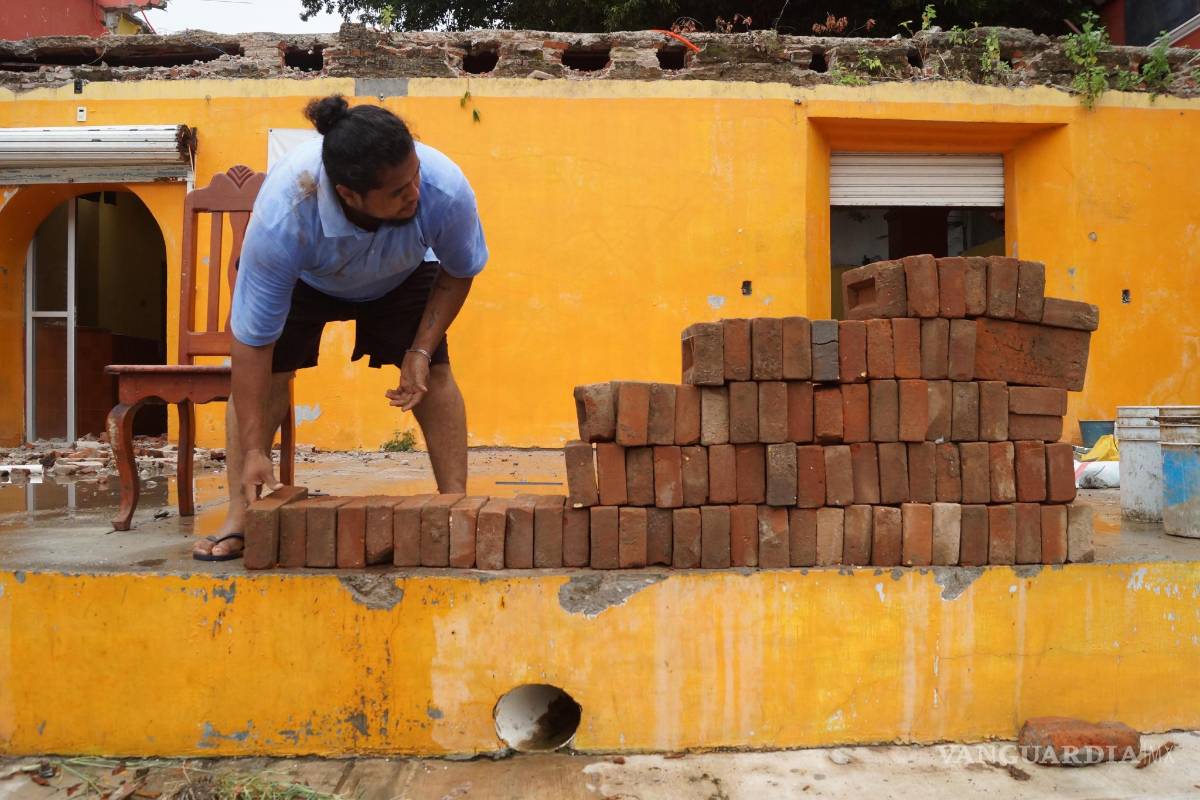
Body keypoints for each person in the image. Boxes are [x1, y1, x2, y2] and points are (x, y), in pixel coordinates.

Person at [193, 94, 487, 561]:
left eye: (414, 177)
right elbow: (252, 345)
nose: (414, 192)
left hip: (403, 272)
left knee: (437, 375)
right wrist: (254, 450)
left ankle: (456, 503)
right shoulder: (284, 215)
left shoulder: (441, 187)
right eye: (397, 191)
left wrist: (420, 351)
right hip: (307, 279)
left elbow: (460, 269)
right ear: (349, 194)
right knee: (270, 378)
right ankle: (239, 514)